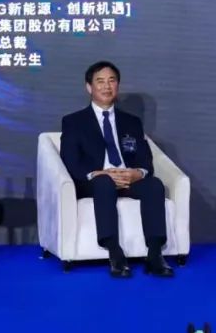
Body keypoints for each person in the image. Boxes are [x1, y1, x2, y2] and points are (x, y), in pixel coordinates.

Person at [59, 61, 174, 278]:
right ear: (89, 87)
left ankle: (155, 253)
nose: (106, 86)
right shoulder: (74, 121)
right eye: (100, 81)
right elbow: (70, 160)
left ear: (117, 86)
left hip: (127, 179)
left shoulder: (131, 122)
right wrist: (99, 173)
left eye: (111, 81)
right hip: (95, 182)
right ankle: (115, 252)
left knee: (154, 185)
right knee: (104, 183)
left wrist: (137, 173)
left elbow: (145, 159)